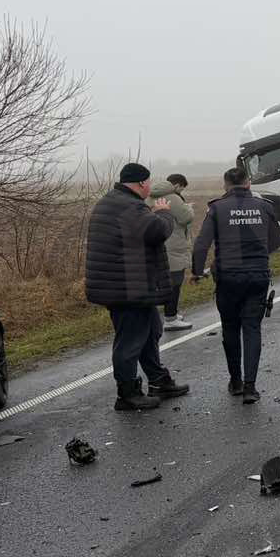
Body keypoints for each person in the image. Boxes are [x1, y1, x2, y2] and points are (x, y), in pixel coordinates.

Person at [84, 162, 193, 412]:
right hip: (126, 288)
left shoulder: (113, 201)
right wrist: (163, 212)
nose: (150, 189)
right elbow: (156, 231)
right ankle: (127, 393)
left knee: (151, 330)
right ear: (142, 184)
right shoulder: (128, 206)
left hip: (128, 284)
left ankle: (158, 380)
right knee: (130, 341)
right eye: (149, 184)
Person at [191, 165, 280, 403]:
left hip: (228, 278)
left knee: (230, 328)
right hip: (257, 277)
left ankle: (235, 381)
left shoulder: (217, 208)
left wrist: (196, 271)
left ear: (226, 185)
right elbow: (277, 241)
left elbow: (201, 245)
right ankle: (251, 387)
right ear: (248, 183)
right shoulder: (265, 207)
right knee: (252, 328)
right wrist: (259, 254)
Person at [149, 173, 195, 330]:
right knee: (175, 282)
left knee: (159, 282)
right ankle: (170, 317)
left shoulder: (150, 196)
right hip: (174, 245)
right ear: (177, 185)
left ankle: (164, 315)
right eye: (182, 187)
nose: (182, 191)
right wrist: (188, 208)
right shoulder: (173, 197)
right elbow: (186, 218)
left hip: (157, 244)